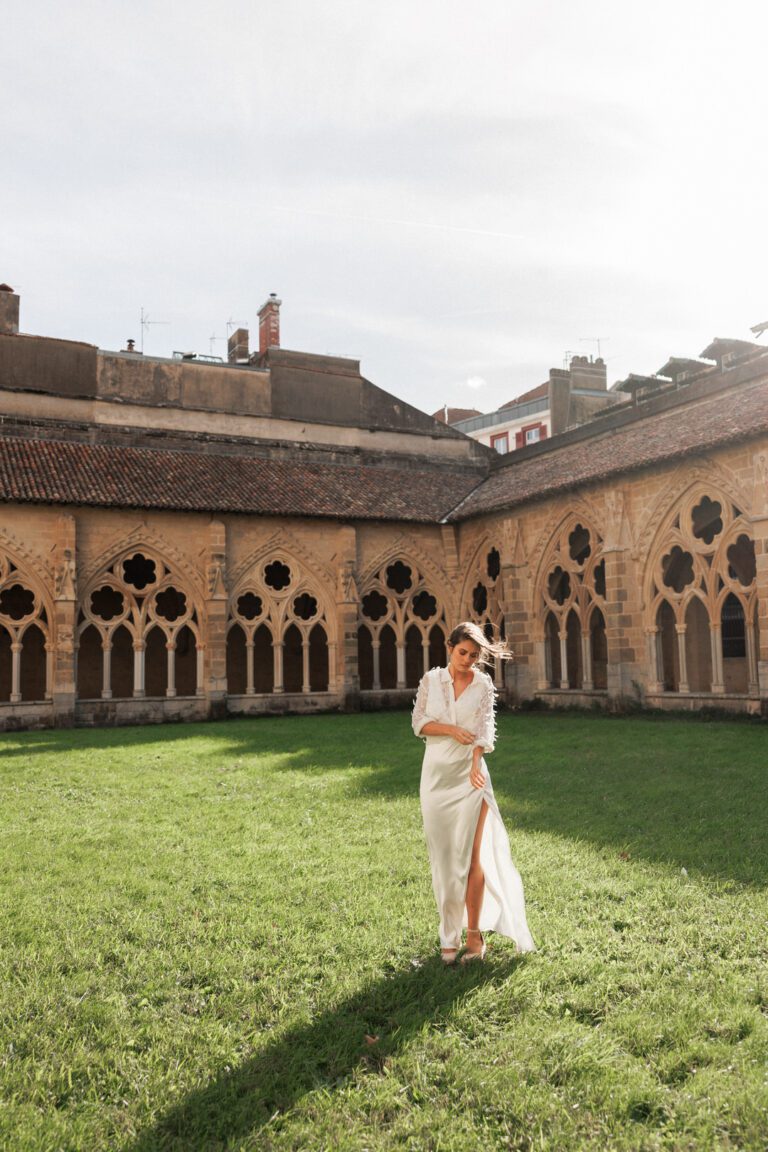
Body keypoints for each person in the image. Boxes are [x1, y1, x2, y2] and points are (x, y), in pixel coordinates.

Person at [412, 621, 535, 964]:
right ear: (448, 647)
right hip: (436, 777)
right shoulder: (430, 681)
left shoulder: (482, 684)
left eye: (474, 655)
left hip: (471, 777)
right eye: (462, 652)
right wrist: (451, 729)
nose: (468, 660)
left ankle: (473, 936)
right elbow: (419, 723)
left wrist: (475, 764)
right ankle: (448, 936)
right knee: (444, 859)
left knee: (471, 858)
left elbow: (484, 732)